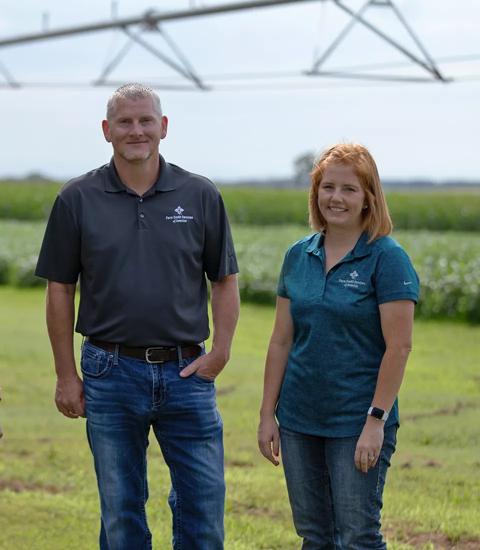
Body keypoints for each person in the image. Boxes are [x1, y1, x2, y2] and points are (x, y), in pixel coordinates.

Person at [35, 83, 239, 550]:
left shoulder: (200, 194)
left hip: (189, 371)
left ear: (163, 127)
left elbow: (224, 280)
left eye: (146, 120)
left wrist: (221, 352)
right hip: (109, 372)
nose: (136, 130)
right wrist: (66, 375)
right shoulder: (77, 198)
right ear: (107, 131)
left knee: (203, 509)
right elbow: (60, 289)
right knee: (122, 513)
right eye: (124, 122)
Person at [258, 143, 419, 549]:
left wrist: (375, 421)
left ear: (369, 197)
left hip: (356, 422)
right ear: (315, 193)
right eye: (327, 187)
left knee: (358, 537)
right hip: (298, 420)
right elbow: (281, 340)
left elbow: (398, 348)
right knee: (315, 536)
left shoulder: (387, 258)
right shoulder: (299, 255)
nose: (336, 198)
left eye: (349, 189)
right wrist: (266, 416)